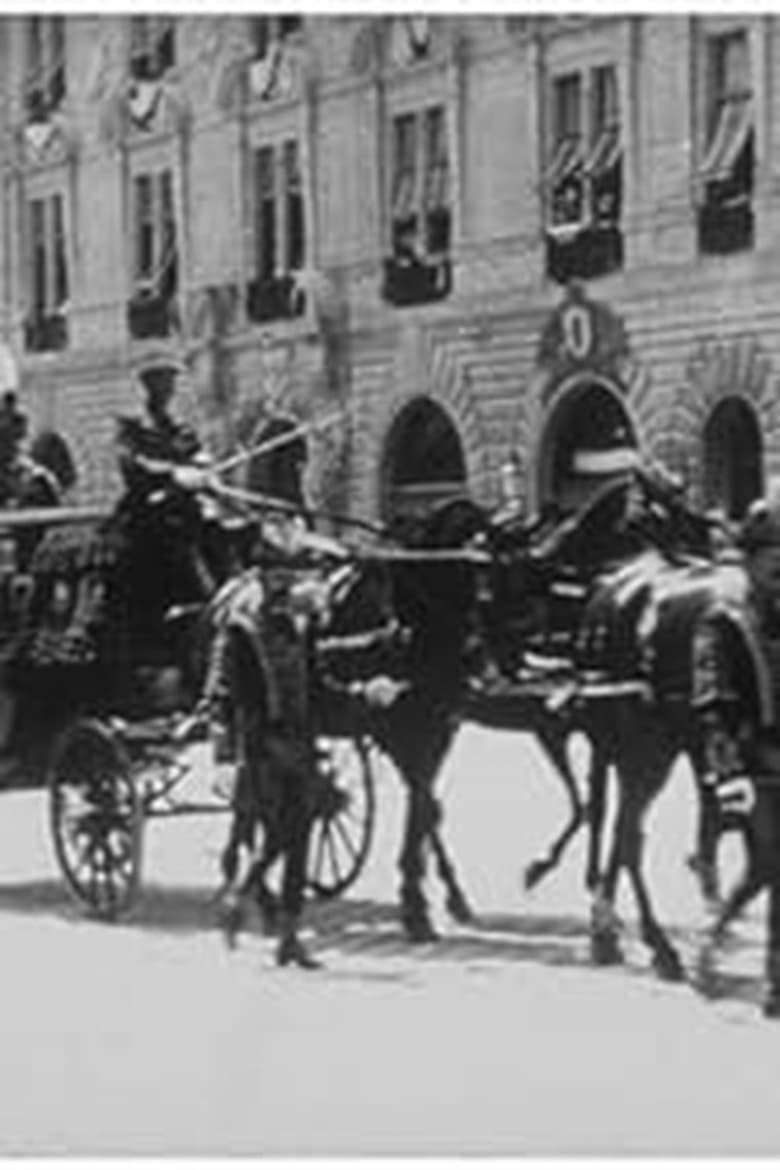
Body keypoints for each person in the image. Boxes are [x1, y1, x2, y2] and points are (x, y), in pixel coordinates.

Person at [691, 483, 780, 1017]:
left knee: (765, 869)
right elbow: (712, 702)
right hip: (753, 764)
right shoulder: (724, 622)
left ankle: (714, 934)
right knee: (775, 865)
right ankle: (775, 981)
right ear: (748, 561)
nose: (779, 569)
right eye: (771, 557)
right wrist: (729, 773)